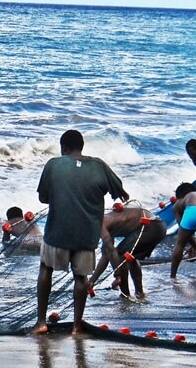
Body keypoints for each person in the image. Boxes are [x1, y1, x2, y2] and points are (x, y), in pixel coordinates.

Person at [33, 130, 129, 335]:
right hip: (87, 235)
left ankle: (41, 322)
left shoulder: (53, 164)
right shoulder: (100, 166)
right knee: (81, 278)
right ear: (82, 146)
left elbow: (43, 198)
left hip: (57, 232)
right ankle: (77, 326)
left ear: (64, 148)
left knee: (45, 269)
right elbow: (119, 193)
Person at [88, 205, 167, 300]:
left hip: (151, 226)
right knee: (129, 256)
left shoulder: (100, 224)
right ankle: (139, 293)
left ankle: (125, 296)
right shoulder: (104, 223)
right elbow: (106, 255)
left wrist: (118, 276)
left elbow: (113, 252)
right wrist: (92, 281)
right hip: (157, 226)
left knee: (121, 256)